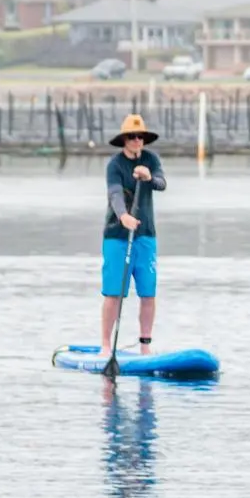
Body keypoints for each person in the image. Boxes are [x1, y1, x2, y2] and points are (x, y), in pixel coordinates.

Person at [101, 112, 166, 357]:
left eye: (141, 137)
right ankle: (106, 345)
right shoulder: (115, 165)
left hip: (146, 235)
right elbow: (115, 194)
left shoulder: (151, 159)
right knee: (114, 293)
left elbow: (161, 183)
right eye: (132, 137)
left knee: (148, 292)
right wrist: (123, 216)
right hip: (117, 236)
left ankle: (145, 345)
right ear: (124, 140)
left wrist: (149, 177)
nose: (137, 140)